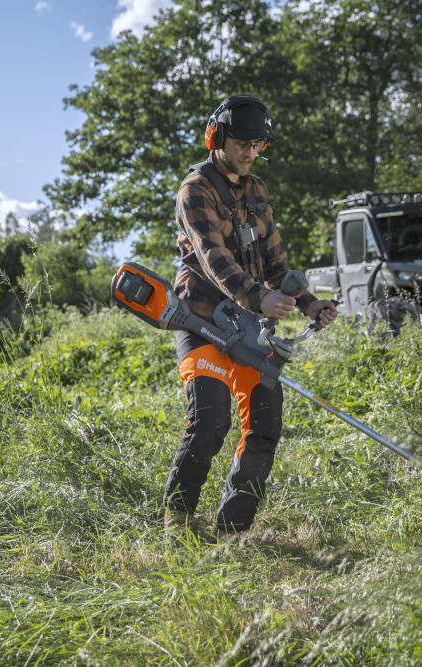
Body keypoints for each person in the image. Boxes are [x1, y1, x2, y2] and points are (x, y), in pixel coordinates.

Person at [164, 94, 338, 540]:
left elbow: (277, 261)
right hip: (201, 321)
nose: (249, 151)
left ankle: (231, 533)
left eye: (257, 143)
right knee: (210, 421)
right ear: (217, 137)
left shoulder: (258, 190)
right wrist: (258, 297)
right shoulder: (195, 189)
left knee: (263, 427)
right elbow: (214, 260)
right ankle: (177, 522)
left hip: (250, 331)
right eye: (241, 142)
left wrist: (307, 303)